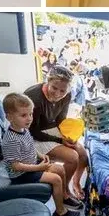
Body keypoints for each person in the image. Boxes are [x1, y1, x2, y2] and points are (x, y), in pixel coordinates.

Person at [2, 93, 82, 216]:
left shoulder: (24, 129)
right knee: (55, 179)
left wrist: (40, 155)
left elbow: (30, 146)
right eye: (23, 115)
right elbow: (15, 166)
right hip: (21, 174)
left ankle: (64, 197)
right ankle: (60, 212)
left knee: (60, 169)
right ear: (9, 117)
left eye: (30, 114)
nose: (29, 119)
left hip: (32, 165)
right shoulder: (11, 139)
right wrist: (38, 167)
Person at [23, 65, 90, 200]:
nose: (58, 94)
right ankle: (64, 191)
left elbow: (60, 120)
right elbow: (32, 130)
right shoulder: (33, 97)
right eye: (54, 88)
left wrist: (68, 137)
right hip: (33, 136)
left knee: (83, 155)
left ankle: (76, 184)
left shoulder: (67, 95)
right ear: (47, 81)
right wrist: (60, 140)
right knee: (72, 157)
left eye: (62, 91)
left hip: (51, 129)